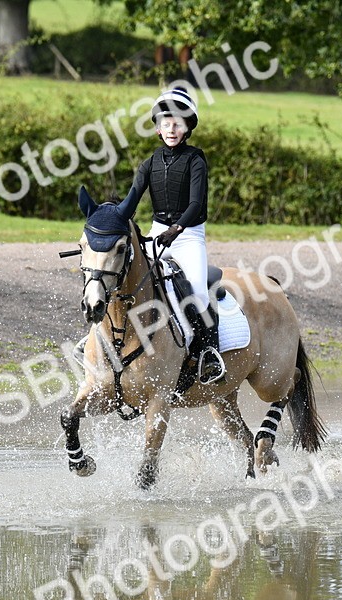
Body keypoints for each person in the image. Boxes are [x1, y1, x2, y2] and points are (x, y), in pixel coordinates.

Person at [119, 86, 225, 385]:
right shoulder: (150, 163)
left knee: (198, 293)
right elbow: (131, 200)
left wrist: (176, 229)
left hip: (188, 236)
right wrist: (112, 216)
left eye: (177, 124)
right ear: (157, 129)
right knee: (126, 278)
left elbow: (196, 204)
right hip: (157, 233)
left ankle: (208, 353)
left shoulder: (196, 161)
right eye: (165, 124)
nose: (171, 129)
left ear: (188, 127)